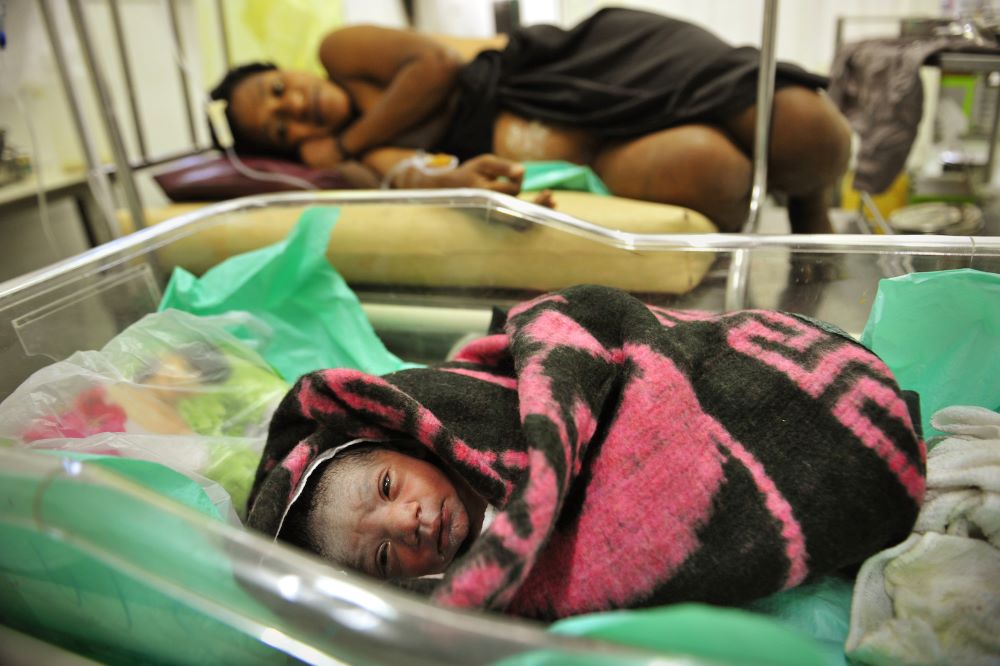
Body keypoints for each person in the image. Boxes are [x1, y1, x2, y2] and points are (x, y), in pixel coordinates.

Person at [246, 284, 925, 621]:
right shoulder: (480, 586)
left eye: (389, 489)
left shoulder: (472, 415)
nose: (408, 523)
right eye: (385, 555)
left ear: (401, 441)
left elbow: (592, 330)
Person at [210, 8, 852, 233]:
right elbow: (402, 171)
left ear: (290, 70)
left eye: (277, 91)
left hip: (579, 66)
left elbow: (432, 65)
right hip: (590, 155)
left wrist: (346, 138)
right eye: (280, 129)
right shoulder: (361, 157)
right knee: (719, 177)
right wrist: (449, 182)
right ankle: (800, 219)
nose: (292, 108)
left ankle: (810, 205)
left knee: (811, 133)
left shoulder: (341, 52)